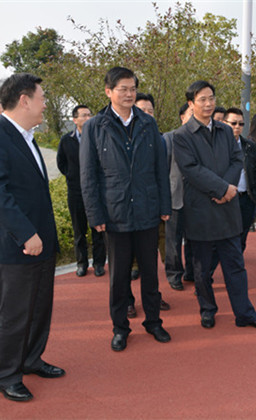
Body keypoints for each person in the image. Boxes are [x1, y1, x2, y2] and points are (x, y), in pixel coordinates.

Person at [0, 73, 64, 402]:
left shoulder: (27, 137)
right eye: (42, 98)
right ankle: (6, 375)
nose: (45, 104)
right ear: (24, 100)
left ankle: (31, 359)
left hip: (41, 242)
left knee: (39, 308)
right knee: (15, 314)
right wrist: (26, 234)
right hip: (15, 246)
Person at [80, 66, 172, 352]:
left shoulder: (148, 123)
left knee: (150, 273)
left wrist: (164, 205)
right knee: (118, 277)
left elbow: (160, 168)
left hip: (147, 210)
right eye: (123, 89)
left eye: (133, 88)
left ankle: (154, 322)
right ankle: (120, 328)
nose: (129, 94)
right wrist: (95, 214)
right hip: (115, 213)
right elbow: (88, 174)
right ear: (109, 92)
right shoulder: (95, 126)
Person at [173, 80, 256, 330]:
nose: (208, 104)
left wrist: (227, 190)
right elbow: (191, 170)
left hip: (228, 209)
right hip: (201, 210)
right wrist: (222, 189)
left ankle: (244, 313)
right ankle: (208, 309)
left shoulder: (225, 131)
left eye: (211, 98)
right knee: (202, 269)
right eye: (202, 99)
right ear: (191, 103)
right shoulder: (182, 136)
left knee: (235, 266)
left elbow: (236, 160)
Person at [130, 92, 171, 315]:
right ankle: (127, 301)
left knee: (150, 260)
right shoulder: (122, 137)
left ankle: (153, 299)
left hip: (151, 207)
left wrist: (164, 205)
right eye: (142, 110)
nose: (147, 114)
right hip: (126, 209)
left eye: (150, 111)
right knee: (125, 260)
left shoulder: (159, 139)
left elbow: (162, 174)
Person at [57, 105, 106, 277]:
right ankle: (82, 263)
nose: (88, 118)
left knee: (98, 229)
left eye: (89, 115)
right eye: (84, 115)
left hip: (95, 191)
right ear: (75, 119)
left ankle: (99, 263)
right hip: (76, 192)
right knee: (79, 231)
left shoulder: (98, 137)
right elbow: (61, 163)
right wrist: (72, 176)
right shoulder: (66, 140)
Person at [164, 103, 194, 290]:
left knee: (195, 239)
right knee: (173, 240)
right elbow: (163, 169)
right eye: (191, 113)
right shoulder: (169, 138)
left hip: (196, 198)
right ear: (182, 117)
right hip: (175, 196)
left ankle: (192, 271)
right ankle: (174, 274)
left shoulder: (201, 138)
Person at [224, 108, 256, 250]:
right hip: (226, 198)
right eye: (233, 123)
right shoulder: (218, 146)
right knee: (225, 236)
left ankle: (237, 259)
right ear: (224, 123)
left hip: (246, 198)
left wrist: (255, 196)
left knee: (242, 235)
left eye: (241, 124)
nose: (237, 127)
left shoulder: (249, 146)